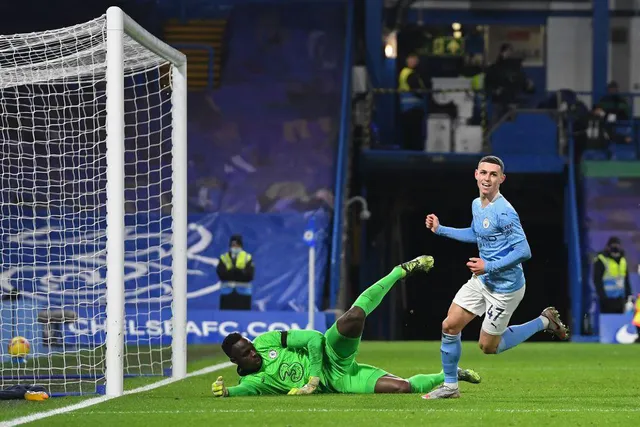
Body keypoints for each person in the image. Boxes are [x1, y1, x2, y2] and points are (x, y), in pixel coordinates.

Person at [211, 255, 482, 397]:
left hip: (330, 353)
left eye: (249, 347)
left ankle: (400, 271)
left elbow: (314, 339)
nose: (253, 353)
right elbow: (238, 391)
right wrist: (224, 392)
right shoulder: (255, 382)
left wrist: (312, 378)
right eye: (246, 354)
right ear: (234, 361)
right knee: (402, 388)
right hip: (340, 380)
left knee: (353, 317)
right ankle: (451, 375)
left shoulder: (266, 341)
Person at [423, 155, 569, 400]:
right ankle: (450, 387)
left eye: (493, 174)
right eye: (483, 173)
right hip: (482, 280)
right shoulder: (476, 204)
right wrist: (441, 229)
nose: (487, 178)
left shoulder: (505, 212)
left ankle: (545, 321)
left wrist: (488, 266)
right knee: (449, 325)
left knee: (488, 347)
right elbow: (477, 233)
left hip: (506, 288)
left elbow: (524, 251)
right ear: (476, 175)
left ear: (502, 179)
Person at [398, 53, 429, 151]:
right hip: (413, 109)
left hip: (407, 109)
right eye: (412, 59)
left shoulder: (406, 72)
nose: (415, 61)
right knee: (414, 135)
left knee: (409, 135)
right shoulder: (410, 74)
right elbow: (417, 90)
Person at [593, 236, 632, 314]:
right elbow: (597, 281)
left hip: (620, 301)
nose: (615, 249)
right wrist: (603, 297)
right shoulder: (601, 260)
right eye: (613, 246)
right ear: (608, 247)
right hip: (606, 301)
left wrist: (628, 297)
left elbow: (626, 280)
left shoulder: (623, 261)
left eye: (617, 246)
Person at [217, 235, 255, 310]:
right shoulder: (224, 257)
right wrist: (236, 272)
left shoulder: (248, 257)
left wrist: (236, 272)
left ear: (241, 246)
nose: (235, 247)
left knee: (243, 317)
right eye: (233, 245)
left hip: (243, 294)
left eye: (237, 245)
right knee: (225, 316)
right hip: (226, 293)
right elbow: (221, 275)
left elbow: (250, 276)